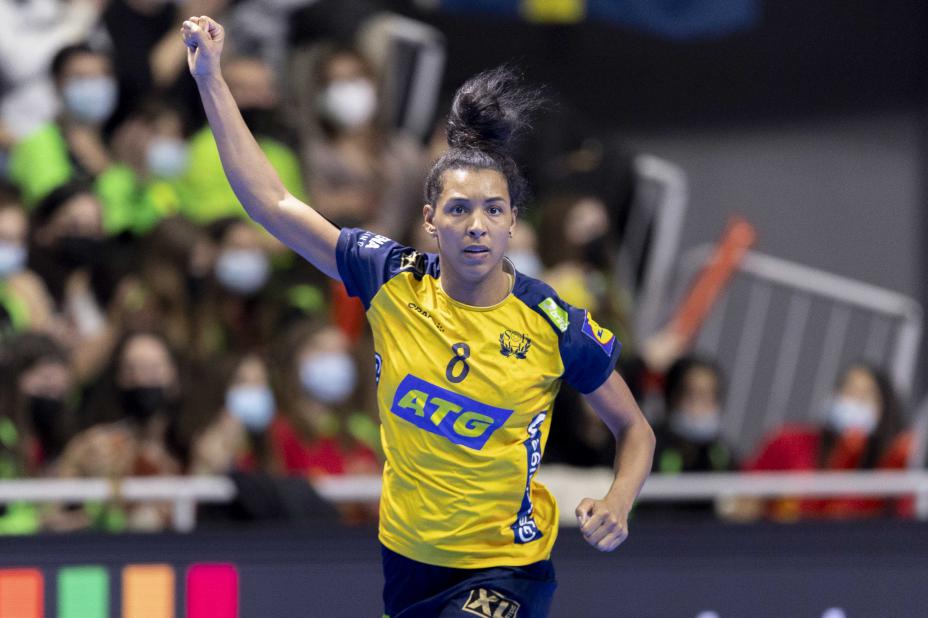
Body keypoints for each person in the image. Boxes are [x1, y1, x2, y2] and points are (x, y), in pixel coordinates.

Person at [182, 16, 654, 616]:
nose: (477, 225)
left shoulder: (552, 321)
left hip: (506, 569)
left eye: (493, 210)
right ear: (430, 220)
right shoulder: (390, 278)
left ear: (513, 221)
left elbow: (635, 429)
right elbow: (272, 203)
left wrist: (618, 500)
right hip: (407, 562)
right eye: (459, 209)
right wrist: (210, 79)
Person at [743, 362, 910, 520]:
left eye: (865, 395)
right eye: (848, 391)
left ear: (884, 408)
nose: (854, 402)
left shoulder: (891, 464)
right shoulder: (786, 442)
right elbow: (743, 498)